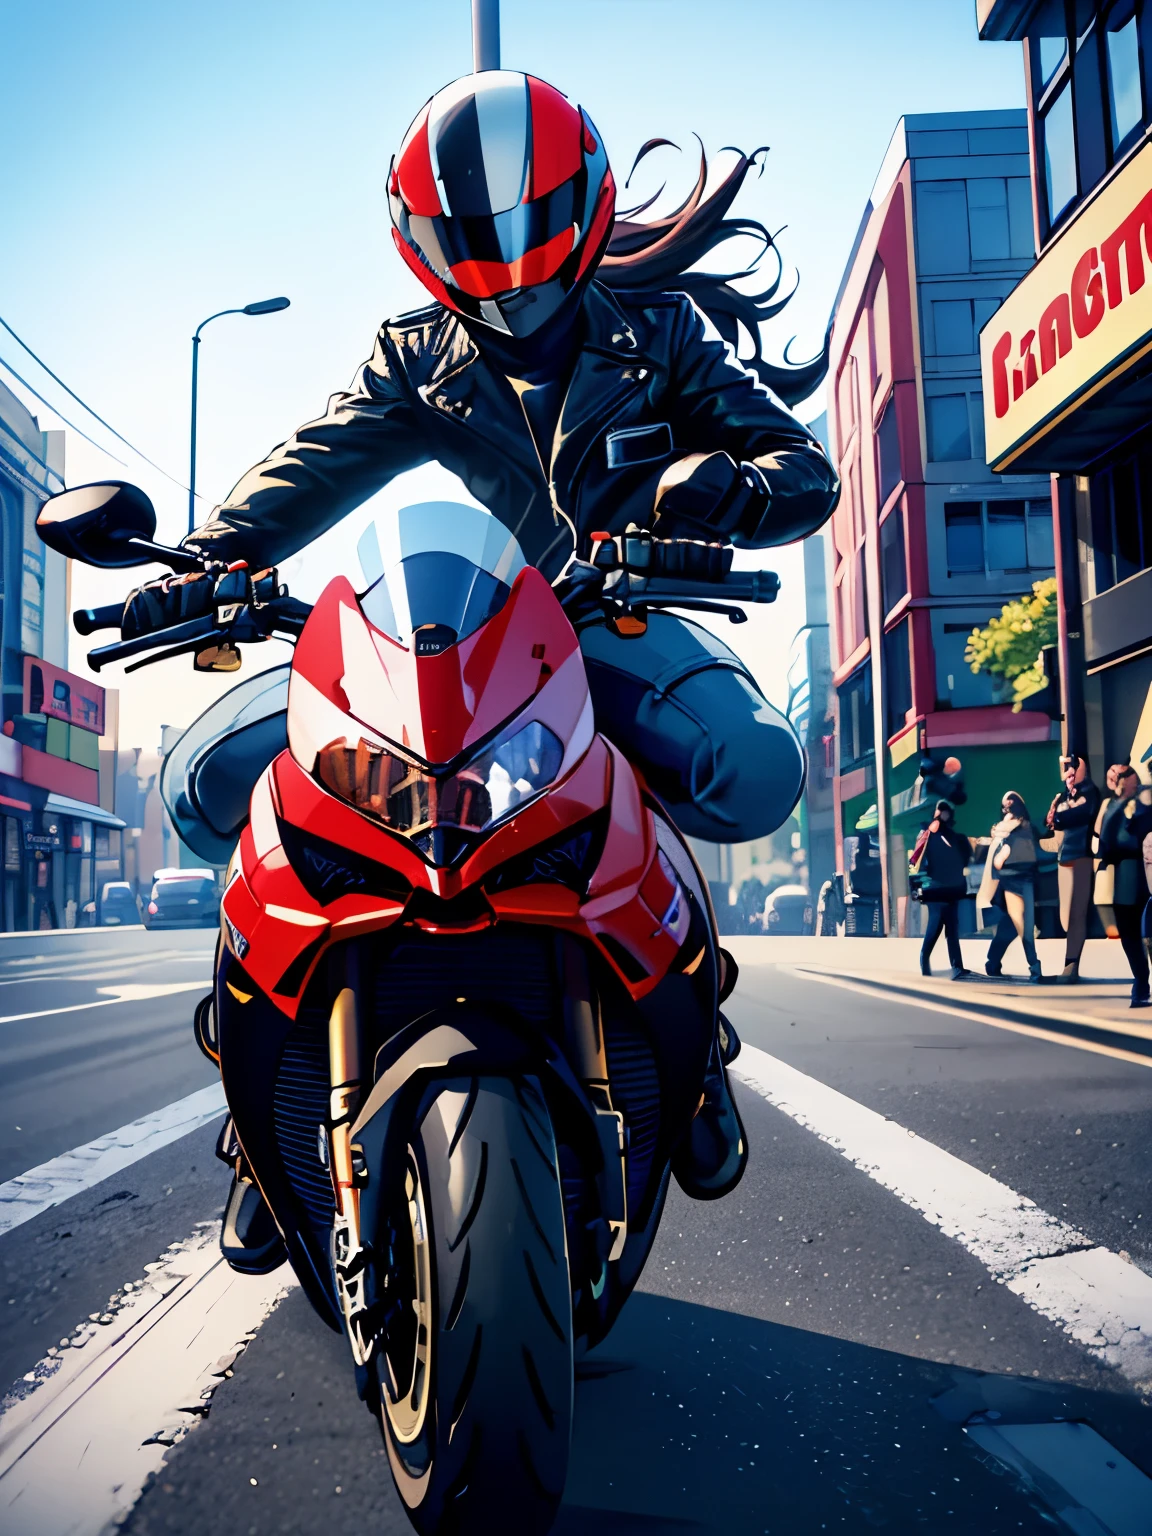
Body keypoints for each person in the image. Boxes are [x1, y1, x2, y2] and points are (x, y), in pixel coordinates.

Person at [124, 72, 840, 1246]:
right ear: (421, 239)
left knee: (748, 766)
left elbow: (799, 470)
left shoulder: (659, 331)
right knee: (208, 781)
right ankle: (259, 1112)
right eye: (471, 238)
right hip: (483, 631)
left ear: (587, 200)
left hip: (618, 616)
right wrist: (205, 561)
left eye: (524, 223)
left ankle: (692, 1035)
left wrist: (738, 490)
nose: (504, 260)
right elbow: (313, 463)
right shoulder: (418, 356)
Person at [1096, 764, 1152, 1008]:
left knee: (1143, 931)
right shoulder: (1111, 805)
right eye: (1111, 776)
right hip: (1121, 872)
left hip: (1141, 867)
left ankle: (1141, 984)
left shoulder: (1146, 797)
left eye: (1120, 775)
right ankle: (1141, 981)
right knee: (1129, 933)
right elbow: (1102, 837)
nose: (1115, 779)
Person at [1046, 753, 1101, 983]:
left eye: (1072, 770)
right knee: (1066, 914)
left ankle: (1071, 965)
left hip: (1082, 855)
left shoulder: (1089, 791)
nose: (1068, 775)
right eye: (1066, 772)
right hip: (1065, 855)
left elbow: (1079, 814)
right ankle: (1069, 965)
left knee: (1077, 912)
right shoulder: (1063, 796)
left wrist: (1059, 817)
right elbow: (1048, 820)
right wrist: (1058, 816)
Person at [983, 792, 1043, 982]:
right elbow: (997, 862)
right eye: (1004, 806)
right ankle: (1034, 966)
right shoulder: (1001, 831)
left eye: (1010, 804)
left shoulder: (1025, 828)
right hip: (1010, 880)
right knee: (1021, 925)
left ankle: (992, 961)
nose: (1006, 808)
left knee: (1011, 925)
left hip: (1025, 879)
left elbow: (1034, 850)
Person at [909, 800, 972, 979]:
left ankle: (957, 966)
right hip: (934, 888)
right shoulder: (926, 836)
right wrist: (915, 885)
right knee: (935, 925)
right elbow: (916, 861)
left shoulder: (954, 837)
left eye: (944, 812)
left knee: (952, 928)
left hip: (951, 887)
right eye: (939, 812)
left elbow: (963, 858)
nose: (941, 815)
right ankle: (925, 959)